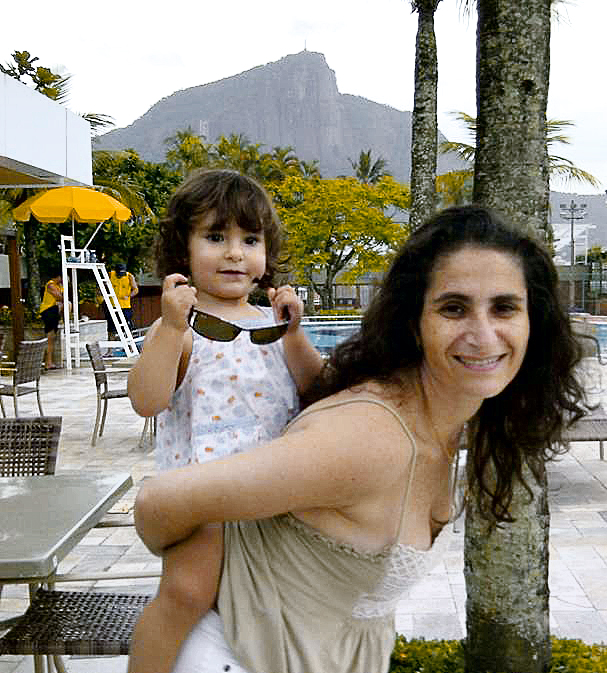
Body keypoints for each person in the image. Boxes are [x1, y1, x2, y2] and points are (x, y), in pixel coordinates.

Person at [133, 204, 587, 673]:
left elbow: (311, 384)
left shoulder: (441, 419)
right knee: (183, 592)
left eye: (504, 307)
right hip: (235, 654)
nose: (483, 333)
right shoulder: (370, 439)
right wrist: (207, 550)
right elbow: (155, 502)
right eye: (454, 308)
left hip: (312, 653)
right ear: (415, 320)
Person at [127, 169, 324, 673]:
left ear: (266, 254)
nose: (235, 252)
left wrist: (294, 332)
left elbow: (317, 390)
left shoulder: (271, 324)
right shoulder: (182, 327)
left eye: (249, 239)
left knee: (277, 598)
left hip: (273, 493)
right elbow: (147, 401)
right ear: (184, 251)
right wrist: (170, 328)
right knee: (187, 593)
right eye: (216, 237)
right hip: (203, 496)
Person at [38, 272, 65, 370]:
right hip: (48, 310)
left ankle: (49, 362)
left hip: (54, 310)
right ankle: (47, 362)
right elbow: (60, 297)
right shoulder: (50, 285)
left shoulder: (59, 285)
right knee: (50, 337)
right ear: (58, 277)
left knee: (52, 337)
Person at [109, 262, 138, 332]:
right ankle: (113, 339)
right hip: (112, 305)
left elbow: (135, 290)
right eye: (119, 274)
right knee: (112, 327)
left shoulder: (129, 276)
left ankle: (128, 338)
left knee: (126, 325)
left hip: (125, 306)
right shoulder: (110, 274)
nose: (121, 276)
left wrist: (129, 296)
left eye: (122, 274)